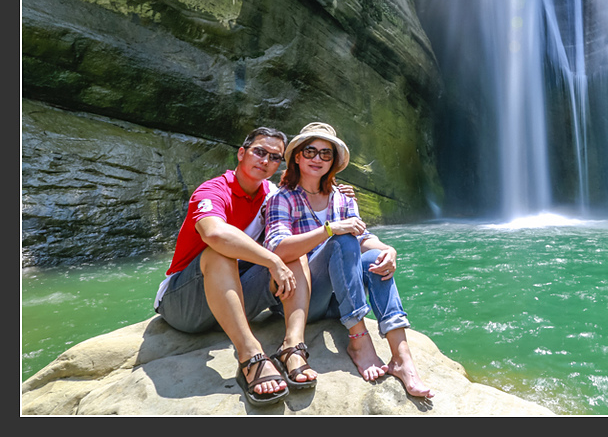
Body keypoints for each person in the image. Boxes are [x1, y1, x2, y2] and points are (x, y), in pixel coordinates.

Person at [264, 121, 436, 399]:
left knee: (374, 258)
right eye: (310, 151)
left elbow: (363, 236)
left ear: (333, 162)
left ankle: (402, 359)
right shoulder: (282, 199)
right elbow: (278, 249)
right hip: (300, 299)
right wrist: (330, 230)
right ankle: (358, 340)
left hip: (337, 300)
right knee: (341, 239)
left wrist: (389, 250)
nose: (317, 159)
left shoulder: (341, 199)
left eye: (325, 154)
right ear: (297, 156)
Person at [154, 126, 317, 407]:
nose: (265, 160)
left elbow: (312, 225)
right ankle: (250, 356)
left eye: (274, 157)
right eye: (259, 152)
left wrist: (337, 195)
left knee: (293, 250)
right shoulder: (214, 189)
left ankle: (292, 347)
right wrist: (272, 260)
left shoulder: (272, 195)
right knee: (219, 253)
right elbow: (214, 234)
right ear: (242, 153)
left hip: (234, 299)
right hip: (184, 305)